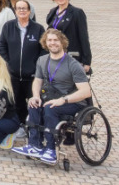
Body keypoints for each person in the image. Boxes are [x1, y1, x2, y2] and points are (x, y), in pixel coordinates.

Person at [12, 28, 92, 165]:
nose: (52, 43)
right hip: (50, 97)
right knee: (33, 104)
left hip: (72, 101)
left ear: (62, 42)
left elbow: (86, 92)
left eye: (56, 40)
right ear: (45, 42)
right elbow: (37, 80)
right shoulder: (42, 60)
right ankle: (34, 145)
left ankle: (51, 149)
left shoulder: (73, 64)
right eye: (49, 40)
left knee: (50, 108)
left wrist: (63, 100)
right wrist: (35, 95)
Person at [0, 0, 45, 127]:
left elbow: (44, 50)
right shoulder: (8, 26)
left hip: (32, 76)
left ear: (29, 11)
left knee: (34, 102)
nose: (22, 11)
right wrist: (8, 64)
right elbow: (2, 47)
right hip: (13, 75)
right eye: (19, 8)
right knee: (16, 103)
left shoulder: (38, 28)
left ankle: (35, 127)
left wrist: (36, 66)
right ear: (15, 11)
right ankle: (21, 125)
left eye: (24, 8)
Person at [45, 0, 91, 73]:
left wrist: (87, 61)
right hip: (55, 54)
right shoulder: (53, 12)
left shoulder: (77, 12)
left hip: (71, 55)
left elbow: (84, 37)